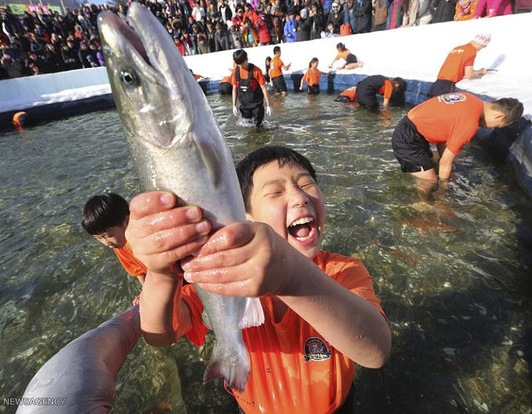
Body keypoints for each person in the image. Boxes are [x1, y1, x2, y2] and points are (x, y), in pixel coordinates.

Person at [126, 145, 391, 413]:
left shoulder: (342, 271)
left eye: (307, 184)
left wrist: (293, 279)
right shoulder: (221, 280)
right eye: (276, 192)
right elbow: (160, 333)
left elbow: (376, 352)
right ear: (246, 217)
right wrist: (161, 272)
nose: (300, 197)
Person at [391, 92, 523, 188]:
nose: (490, 129)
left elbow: (445, 136)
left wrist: (447, 168)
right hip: (408, 138)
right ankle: (419, 209)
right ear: (499, 116)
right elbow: (445, 163)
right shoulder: (470, 124)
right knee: (430, 182)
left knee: (432, 167)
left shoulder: (470, 98)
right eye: (498, 126)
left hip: (413, 129)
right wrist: (443, 189)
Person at [81, 193, 147, 288]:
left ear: (127, 221)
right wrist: (144, 289)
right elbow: (138, 271)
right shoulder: (119, 245)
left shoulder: (145, 238)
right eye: (98, 238)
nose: (106, 243)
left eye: (109, 235)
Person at [427, 33, 491, 98]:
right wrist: (481, 72)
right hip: (447, 86)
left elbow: (455, 66)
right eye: (483, 46)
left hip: (436, 83)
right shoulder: (472, 51)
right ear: (480, 43)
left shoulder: (457, 48)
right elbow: (469, 75)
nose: (481, 49)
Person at [231, 49, 272, 126]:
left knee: (258, 127)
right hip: (244, 106)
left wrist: (268, 105)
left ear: (247, 59)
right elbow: (234, 89)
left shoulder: (256, 71)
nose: (241, 67)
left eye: (242, 64)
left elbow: (264, 88)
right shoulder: (235, 72)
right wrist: (234, 105)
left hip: (257, 106)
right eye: (238, 65)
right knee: (247, 127)